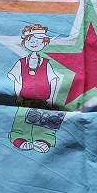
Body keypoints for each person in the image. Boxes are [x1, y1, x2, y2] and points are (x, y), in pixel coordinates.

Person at [7, 23, 62, 153]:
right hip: (25, 99)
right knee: (21, 119)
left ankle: (44, 140)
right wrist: (17, 95)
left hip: (44, 100)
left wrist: (52, 99)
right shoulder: (21, 62)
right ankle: (19, 138)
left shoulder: (46, 64)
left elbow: (54, 80)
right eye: (31, 40)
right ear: (25, 42)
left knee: (46, 120)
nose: (34, 43)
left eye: (38, 41)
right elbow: (16, 79)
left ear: (44, 43)